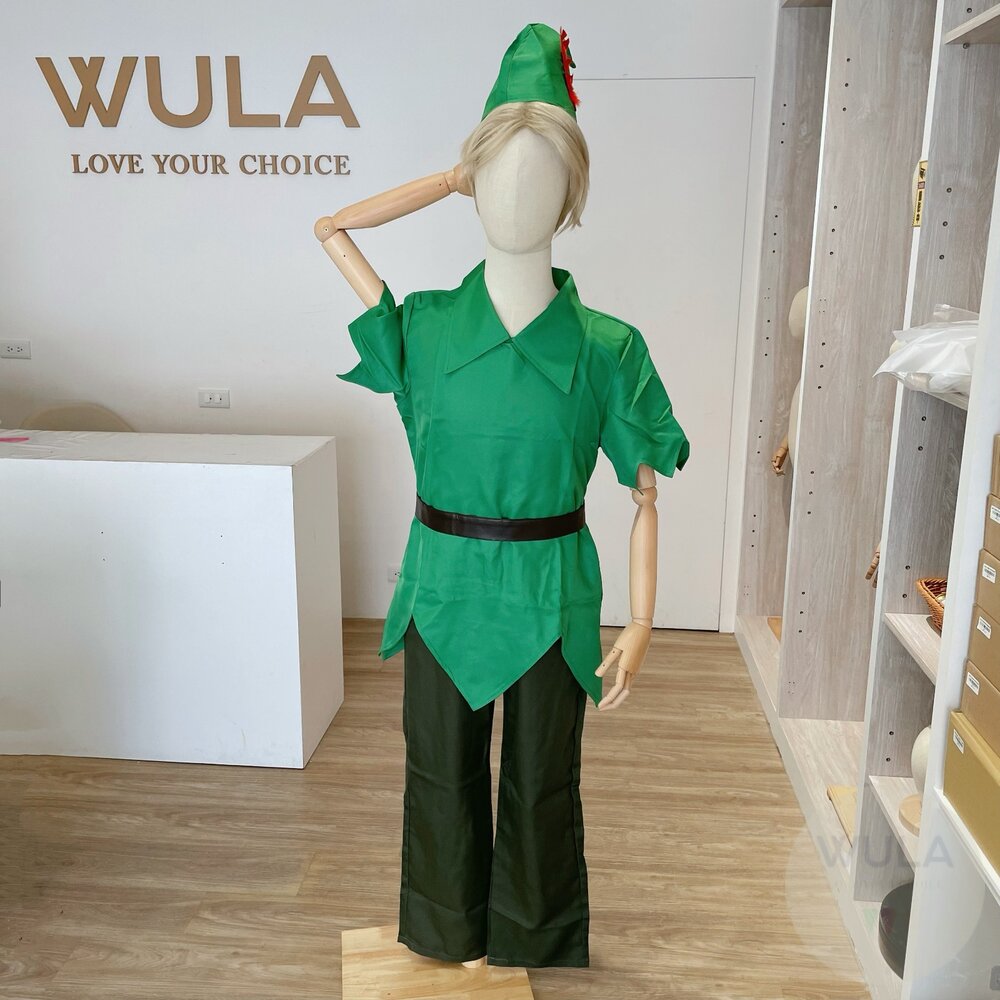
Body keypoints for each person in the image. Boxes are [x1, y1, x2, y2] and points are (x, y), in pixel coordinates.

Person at [317, 22, 690, 970]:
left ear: (573, 195)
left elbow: (646, 494)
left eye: (544, 173)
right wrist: (454, 175)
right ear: (472, 181)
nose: (518, 192)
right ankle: (446, 928)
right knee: (438, 772)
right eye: (498, 172)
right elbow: (333, 228)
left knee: (542, 778)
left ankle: (534, 933)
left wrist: (643, 621)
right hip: (444, 585)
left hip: (552, 588)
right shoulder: (426, 327)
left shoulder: (607, 348)